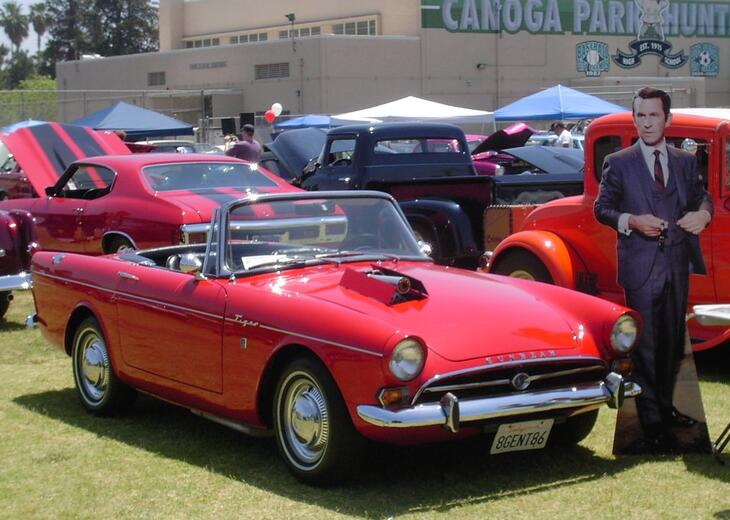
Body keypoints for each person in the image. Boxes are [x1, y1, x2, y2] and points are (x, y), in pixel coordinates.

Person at [594, 87, 713, 452]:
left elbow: (701, 197)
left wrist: (703, 214)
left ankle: (666, 409)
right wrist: (630, 220)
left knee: (672, 344)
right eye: (640, 116)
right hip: (641, 266)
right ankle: (651, 423)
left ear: (668, 119)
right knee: (644, 347)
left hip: (677, 265)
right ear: (635, 119)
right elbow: (603, 208)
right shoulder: (619, 162)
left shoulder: (684, 161)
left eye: (653, 115)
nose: (646, 122)